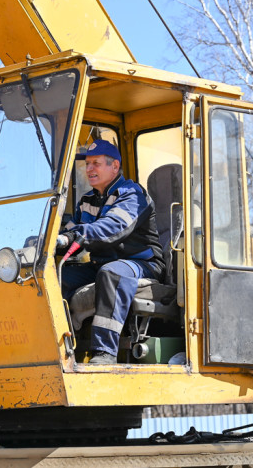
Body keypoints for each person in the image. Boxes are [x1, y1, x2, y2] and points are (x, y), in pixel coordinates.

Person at [57, 140, 164, 364]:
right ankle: (60, 347)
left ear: (114, 166)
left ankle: (105, 353)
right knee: (59, 277)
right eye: (87, 164)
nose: (89, 169)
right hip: (101, 264)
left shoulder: (133, 195)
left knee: (111, 273)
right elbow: (71, 231)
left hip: (142, 264)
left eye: (96, 163)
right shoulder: (87, 200)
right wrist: (49, 240)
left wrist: (75, 235)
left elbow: (112, 228)